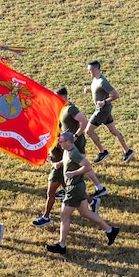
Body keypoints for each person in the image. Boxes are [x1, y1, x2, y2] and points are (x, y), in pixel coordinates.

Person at [32, 88, 106, 227]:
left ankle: (46, 216)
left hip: (62, 161)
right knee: (71, 191)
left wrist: (74, 138)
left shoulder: (69, 112)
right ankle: (92, 201)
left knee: (52, 193)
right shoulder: (59, 115)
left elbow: (83, 122)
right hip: (61, 161)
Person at [44, 131, 119, 255]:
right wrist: (58, 164)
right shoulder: (67, 151)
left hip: (74, 189)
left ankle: (61, 245)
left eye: (61, 141)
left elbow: (87, 166)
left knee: (64, 215)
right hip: (77, 187)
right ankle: (110, 230)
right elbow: (66, 159)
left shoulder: (74, 153)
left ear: (68, 142)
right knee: (85, 213)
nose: (59, 143)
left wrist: (73, 173)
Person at [83, 60, 134, 164]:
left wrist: (104, 102)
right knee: (113, 131)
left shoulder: (103, 82)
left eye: (90, 70)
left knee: (88, 131)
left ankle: (103, 152)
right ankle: (128, 151)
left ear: (96, 69)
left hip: (102, 110)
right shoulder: (95, 79)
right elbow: (98, 91)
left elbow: (115, 95)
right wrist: (89, 90)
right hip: (105, 110)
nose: (88, 72)